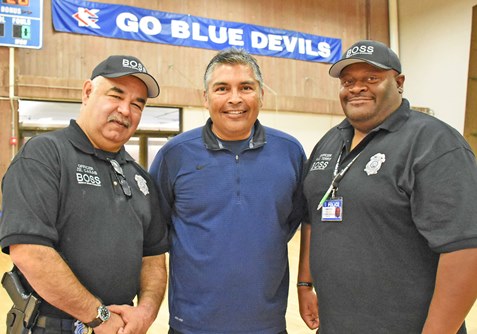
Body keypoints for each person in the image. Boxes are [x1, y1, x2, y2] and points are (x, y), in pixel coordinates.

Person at [297, 39, 477, 333]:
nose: (356, 88)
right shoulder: (330, 141)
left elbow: (465, 248)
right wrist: (305, 283)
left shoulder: (433, 143)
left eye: (371, 78)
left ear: (399, 82)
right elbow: (312, 216)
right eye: (348, 81)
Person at [0, 55, 169, 334]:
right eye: (116, 95)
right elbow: (30, 252)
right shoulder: (45, 156)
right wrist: (98, 316)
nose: (126, 110)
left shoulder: (140, 178)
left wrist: (146, 313)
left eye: (137, 104)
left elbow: (152, 258)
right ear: (88, 92)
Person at [149, 48, 306, 334]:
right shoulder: (175, 155)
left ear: (261, 95)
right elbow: (154, 231)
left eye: (246, 87)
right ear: (205, 98)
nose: (235, 99)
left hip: (267, 325)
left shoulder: (291, 152)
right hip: (192, 325)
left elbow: (291, 221)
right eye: (222, 88)